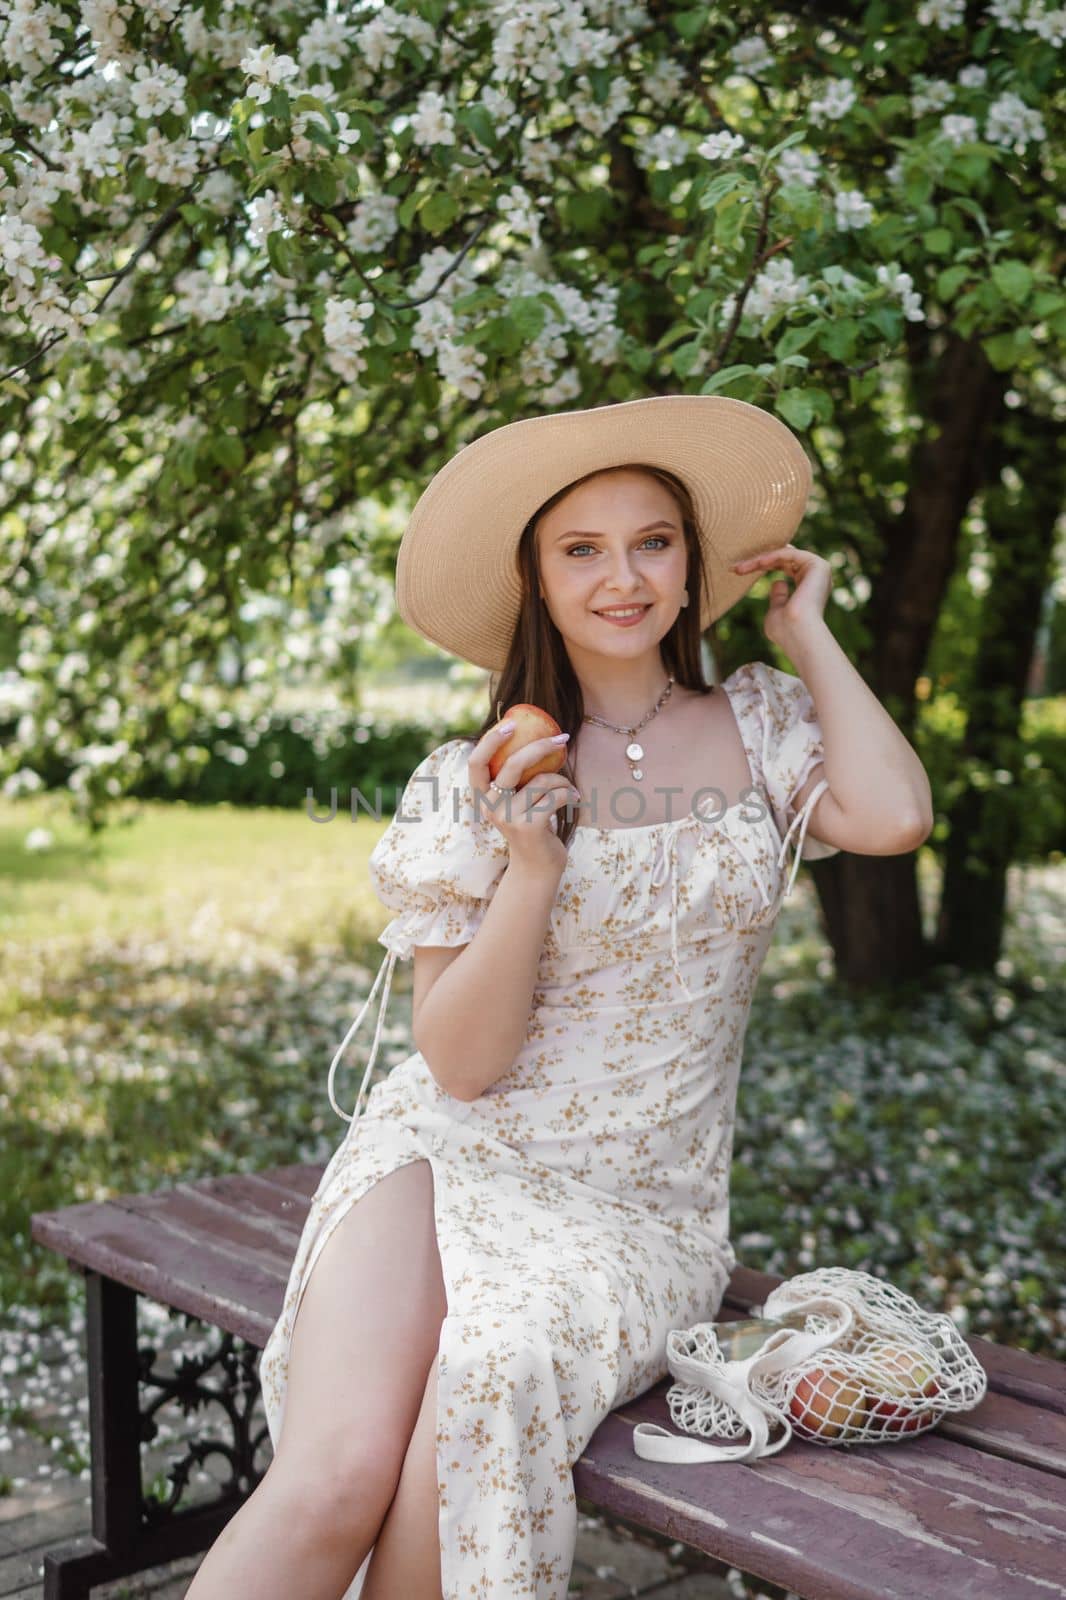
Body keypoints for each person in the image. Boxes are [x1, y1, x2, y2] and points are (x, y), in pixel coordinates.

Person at [184, 394, 933, 1600]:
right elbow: (461, 1067)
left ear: (692, 563)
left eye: (652, 540)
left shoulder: (761, 726)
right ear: (536, 579)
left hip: (638, 1211)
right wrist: (530, 869)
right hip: (447, 1151)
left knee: (482, 1390)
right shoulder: (475, 780)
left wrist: (808, 635)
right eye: (579, 549)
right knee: (332, 1477)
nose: (622, 576)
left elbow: (893, 818)